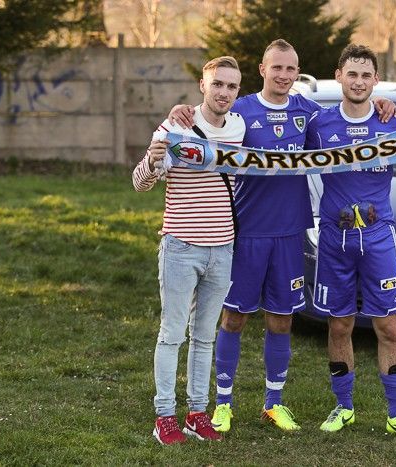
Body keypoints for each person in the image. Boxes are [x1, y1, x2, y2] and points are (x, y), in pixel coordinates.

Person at [168, 39, 396, 432]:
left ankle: (274, 402)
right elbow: (207, 120)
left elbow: (346, 119)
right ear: (262, 70)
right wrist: (181, 111)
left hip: (291, 232)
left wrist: (383, 104)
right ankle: (223, 404)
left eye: (291, 69)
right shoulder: (240, 110)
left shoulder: (309, 113)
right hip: (246, 231)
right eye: (277, 68)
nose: (284, 75)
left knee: (281, 320)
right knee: (234, 318)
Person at [304, 44, 396, 443]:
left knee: (388, 327)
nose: (358, 82)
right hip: (335, 238)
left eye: (365, 75)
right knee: (339, 325)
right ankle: (343, 407)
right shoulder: (318, 124)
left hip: (377, 237)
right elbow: (279, 154)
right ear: (339, 76)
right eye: (351, 74)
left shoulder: (392, 119)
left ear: (376, 80)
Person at [132, 56, 246, 445]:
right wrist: (153, 160)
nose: (224, 92)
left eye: (231, 86)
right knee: (172, 334)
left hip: (222, 248)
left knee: (205, 336)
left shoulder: (239, 128)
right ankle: (164, 416)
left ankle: (197, 414)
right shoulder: (175, 126)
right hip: (181, 246)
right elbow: (140, 183)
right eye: (218, 84)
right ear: (203, 85)